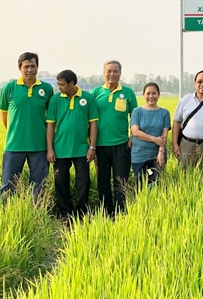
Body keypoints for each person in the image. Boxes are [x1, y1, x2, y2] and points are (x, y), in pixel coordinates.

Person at [0, 52, 54, 199]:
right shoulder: (9, 87)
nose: (30, 70)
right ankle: (7, 211)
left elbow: (51, 117)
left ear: (37, 67)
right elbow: (3, 113)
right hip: (14, 146)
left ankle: (36, 211)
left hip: (39, 146)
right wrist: (15, 132)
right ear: (20, 68)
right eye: (26, 66)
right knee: (8, 185)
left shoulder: (47, 89)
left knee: (39, 186)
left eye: (33, 66)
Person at [46, 70, 98, 218]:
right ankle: (66, 214)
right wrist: (50, 149)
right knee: (61, 182)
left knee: (83, 181)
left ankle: (81, 213)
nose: (59, 87)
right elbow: (50, 125)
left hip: (82, 148)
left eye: (62, 84)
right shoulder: (55, 100)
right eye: (58, 84)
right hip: (60, 149)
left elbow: (93, 124)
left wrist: (92, 147)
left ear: (72, 83)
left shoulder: (88, 98)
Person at [92, 60, 138, 216]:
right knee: (102, 180)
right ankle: (106, 212)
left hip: (121, 144)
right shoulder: (96, 93)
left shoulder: (128, 93)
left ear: (120, 73)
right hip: (100, 145)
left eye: (115, 71)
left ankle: (121, 213)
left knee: (121, 180)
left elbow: (135, 117)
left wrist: (132, 137)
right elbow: (89, 118)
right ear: (103, 73)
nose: (112, 74)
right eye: (109, 71)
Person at [130, 82, 171, 187]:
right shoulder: (137, 112)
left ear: (158, 95)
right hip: (139, 155)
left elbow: (164, 135)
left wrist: (161, 152)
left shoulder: (164, 113)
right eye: (148, 93)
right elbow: (135, 132)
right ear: (143, 95)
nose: (151, 96)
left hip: (157, 155)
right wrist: (154, 139)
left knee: (156, 185)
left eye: (154, 93)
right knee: (140, 185)